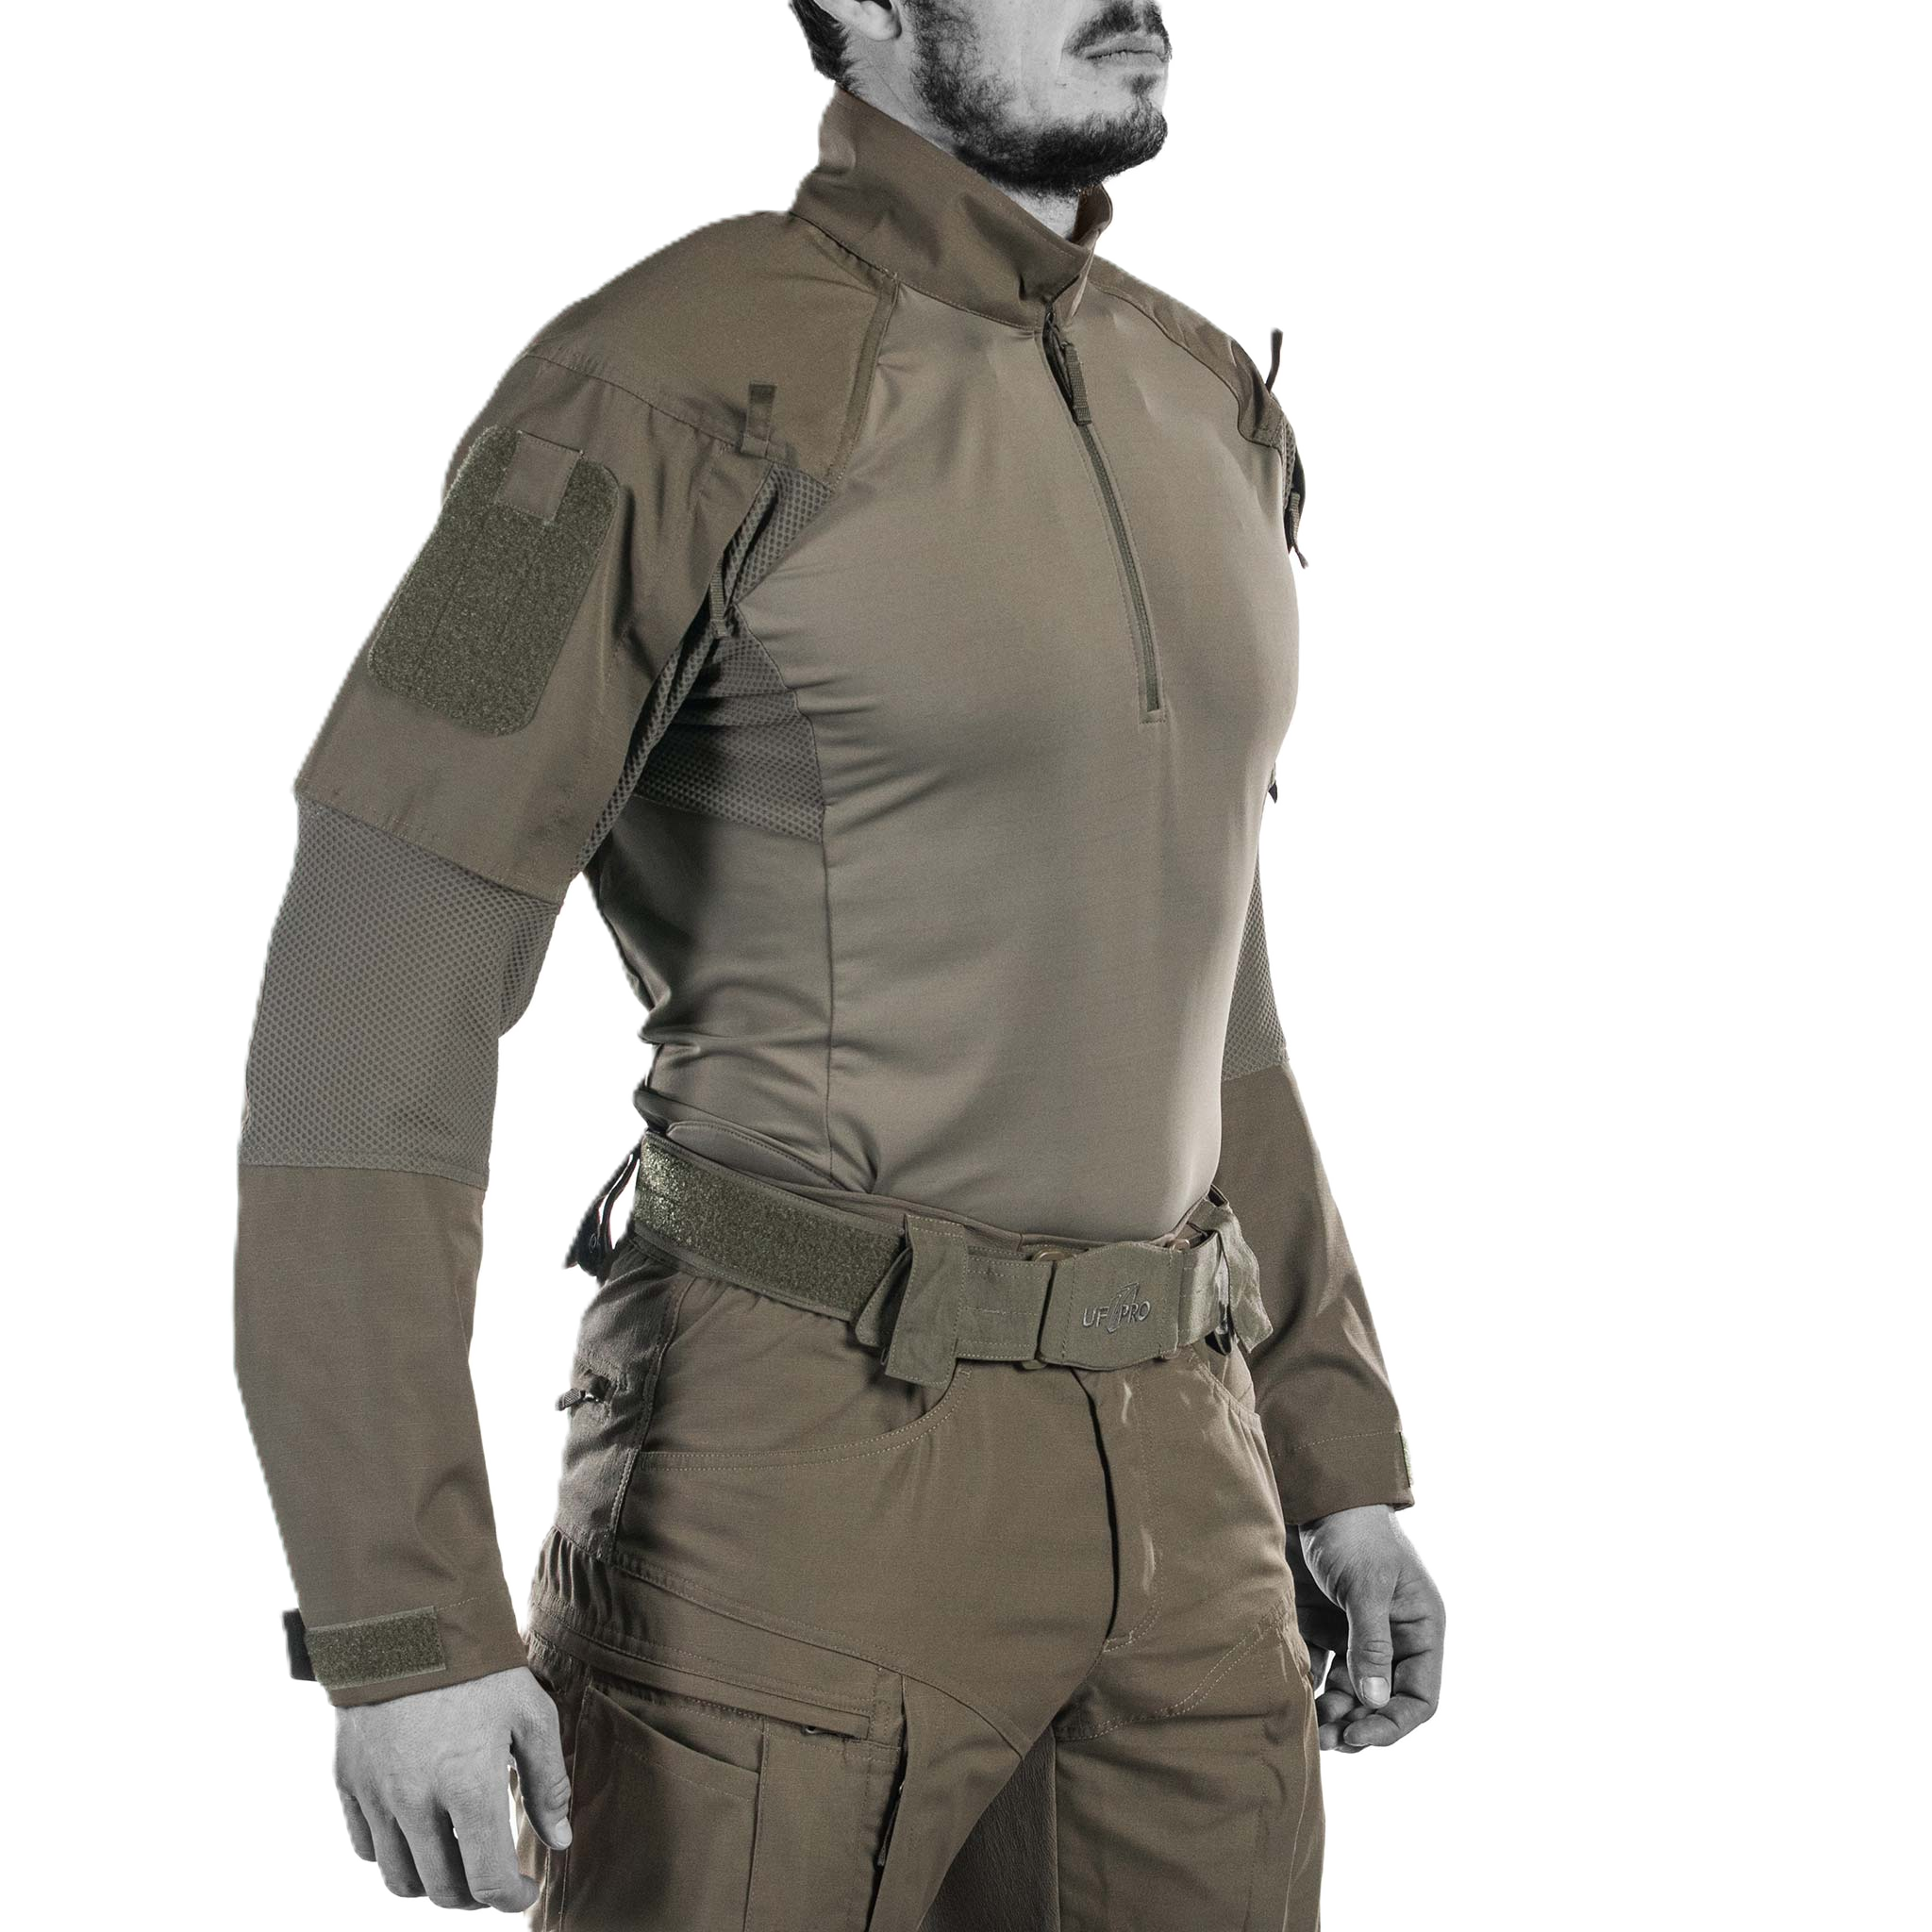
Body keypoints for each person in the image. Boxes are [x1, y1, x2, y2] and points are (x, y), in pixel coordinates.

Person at [231, 2, 1446, 1924]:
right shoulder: (640, 389)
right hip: (786, 1491)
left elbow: (1208, 977)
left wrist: (1336, 1452)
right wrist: (399, 1621)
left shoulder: (1205, 397)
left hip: (1188, 1497)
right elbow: (368, 982)